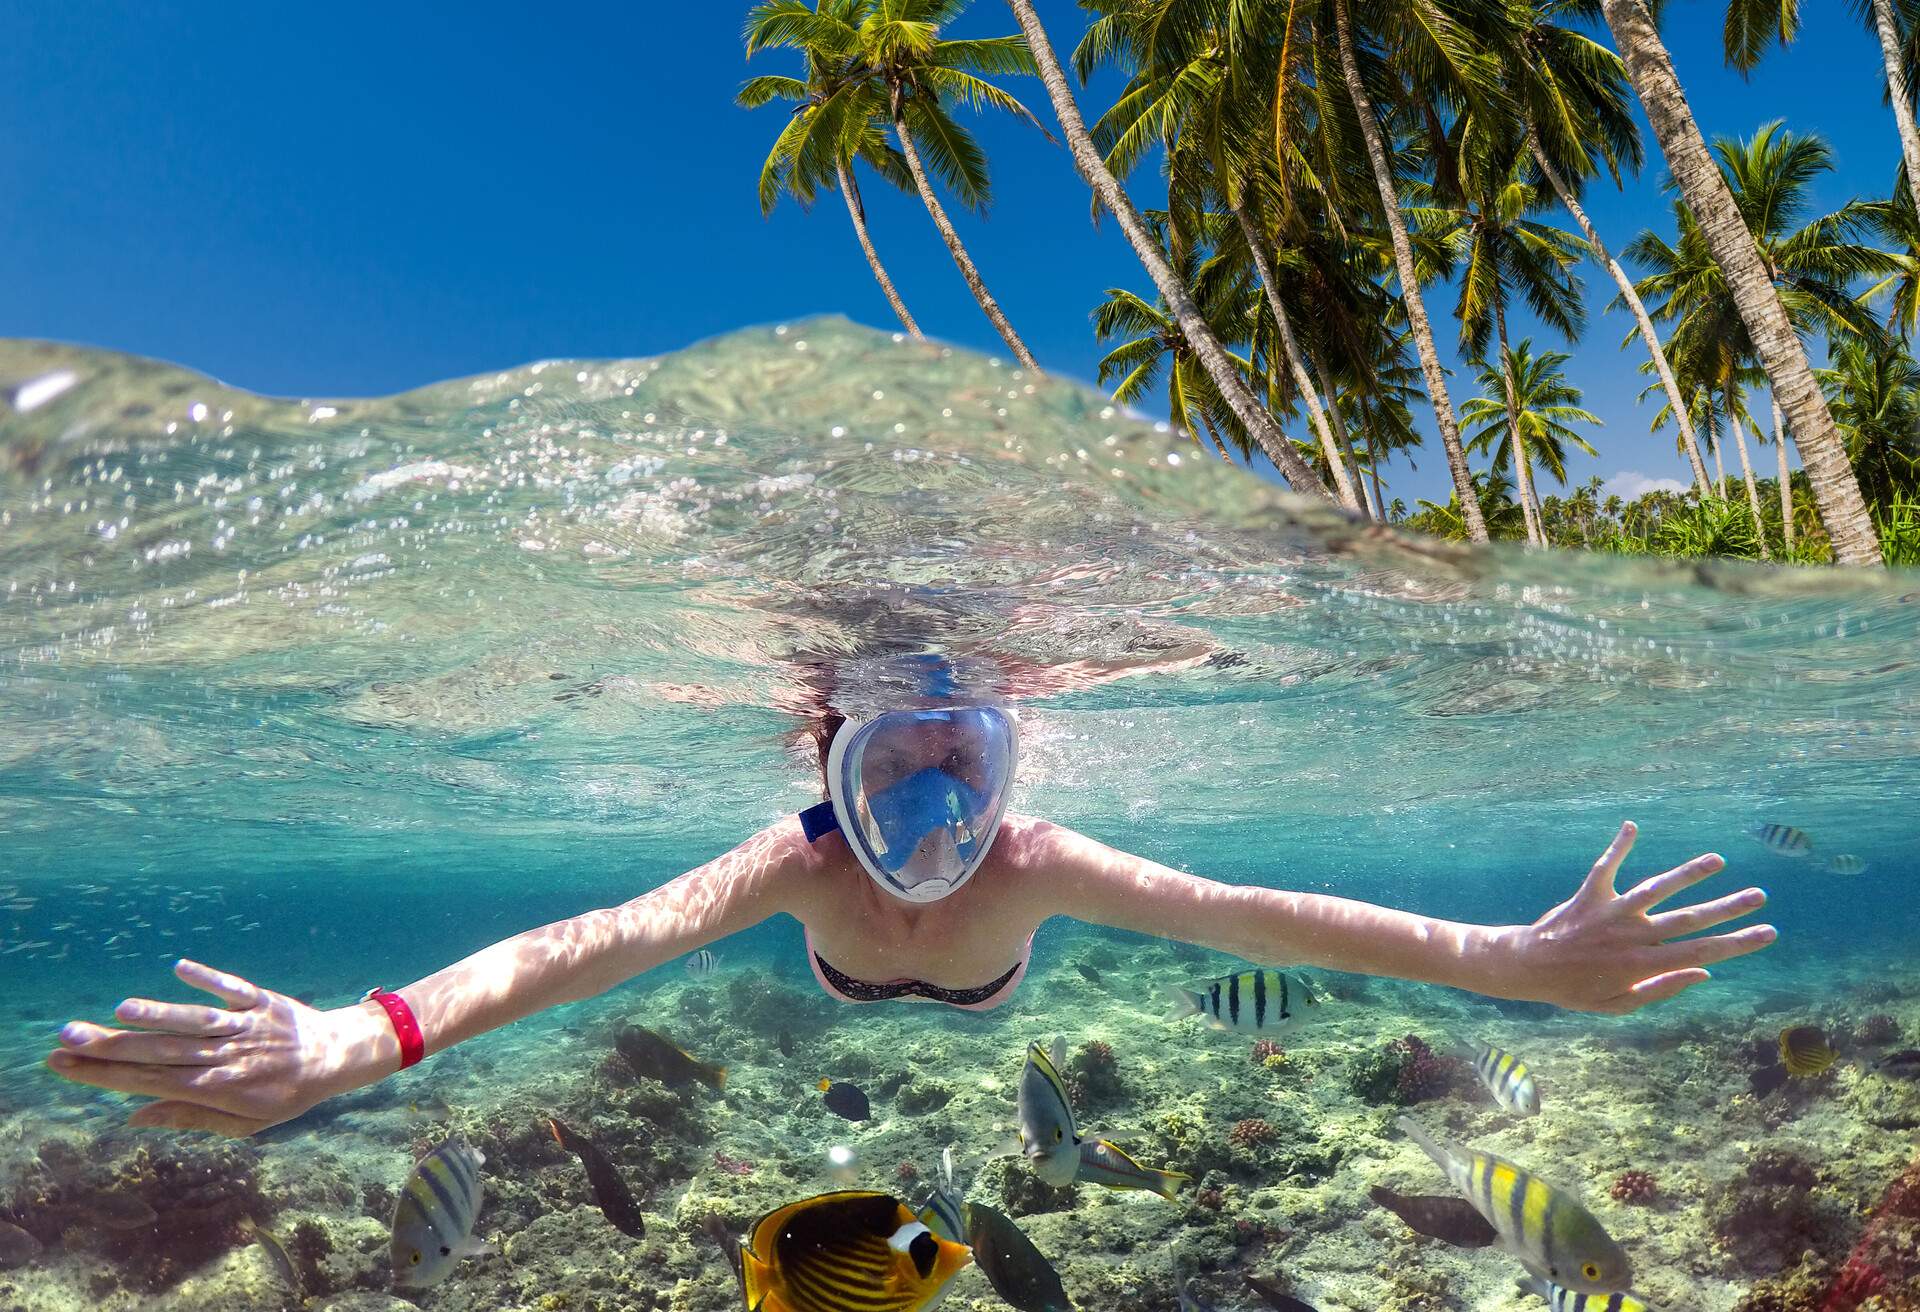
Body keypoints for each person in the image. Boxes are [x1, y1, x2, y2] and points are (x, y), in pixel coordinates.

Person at [45, 680, 1773, 1137]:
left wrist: (1513, 963)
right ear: (829, 759)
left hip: (989, 991)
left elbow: (1267, 918)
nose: (934, 824)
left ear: (1015, 773)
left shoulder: (1040, 869)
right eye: (894, 780)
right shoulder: (792, 866)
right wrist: (370, 1035)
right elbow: (581, 951)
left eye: (968, 776)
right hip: (846, 984)